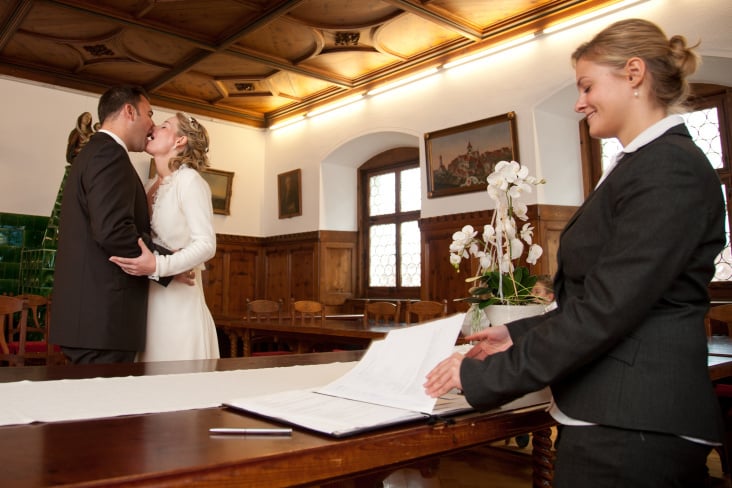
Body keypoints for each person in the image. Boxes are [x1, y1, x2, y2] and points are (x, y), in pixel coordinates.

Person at [425, 19, 725, 487]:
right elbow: (606, 298)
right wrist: (517, 335)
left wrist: (486, 376)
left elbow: (607, 310)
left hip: (635, 423)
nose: (579, 102)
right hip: (614, 415)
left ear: (633, 74)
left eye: (587, 85)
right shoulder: (640, 164)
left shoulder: (669, 168)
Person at [51, 85, 158, 364]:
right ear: (129, 111)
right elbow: (113, 230)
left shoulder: (95, 152)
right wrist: (165, 265)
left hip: (91, 320)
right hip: (103, 318)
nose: (152, 124)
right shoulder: (108, 154)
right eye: (149, 113)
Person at [110, 112, 220, 361]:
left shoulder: (190, 182)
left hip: (178, 302)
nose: (153, 128)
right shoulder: (148, 186)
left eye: (164, 126)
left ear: (179, 141)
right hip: (146, 299)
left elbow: (206, 244)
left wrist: (162, 265)